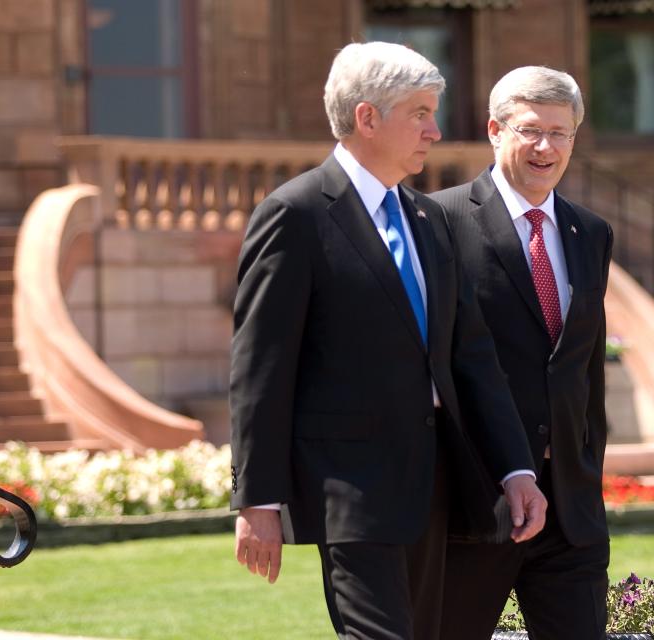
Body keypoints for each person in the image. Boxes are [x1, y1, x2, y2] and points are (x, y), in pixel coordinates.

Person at [229, 43, 547, 640]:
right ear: (367, 118)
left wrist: (515, 469)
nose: (435, 129)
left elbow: (473, 358)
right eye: (420, 113)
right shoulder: (294, 215)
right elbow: (260, 370)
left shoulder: (429, 220)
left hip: (434, 487)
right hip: (349, 491)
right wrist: (259, 502)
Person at [431, 66, 614, 640]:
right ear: (494, 130)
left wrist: (586, 463)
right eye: (530, 130)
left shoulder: (591, 233)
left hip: (571, 512)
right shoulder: (439, 220)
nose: (546, 147)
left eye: (560, 133)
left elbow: (583, 366)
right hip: (476, 507)